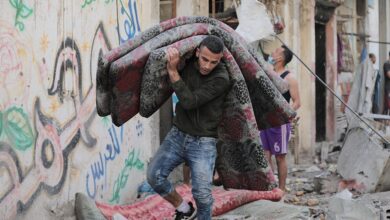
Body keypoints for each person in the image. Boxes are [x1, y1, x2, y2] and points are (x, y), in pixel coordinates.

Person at [147, 35, 230, 220]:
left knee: (202, 194)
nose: (207, 65)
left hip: (204, 142)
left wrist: (173, 71)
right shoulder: (187, 62)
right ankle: (184, 209)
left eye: (213, 62)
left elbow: (189, 102)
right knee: (154, 176)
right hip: (178, 135)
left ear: (220, 60)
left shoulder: (221, 78)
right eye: (204, 59)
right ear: (197, 52)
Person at [260, 45, 301, 192]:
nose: (273, 51)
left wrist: (285, 113)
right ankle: (271, 188)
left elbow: (297, 102)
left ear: (282, 58)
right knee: (265, 156)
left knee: (280, 157)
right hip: (264, 121)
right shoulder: (267, 73)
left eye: (276, 50)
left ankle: (282, 189)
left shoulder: (289, 77)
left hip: (280, 123)